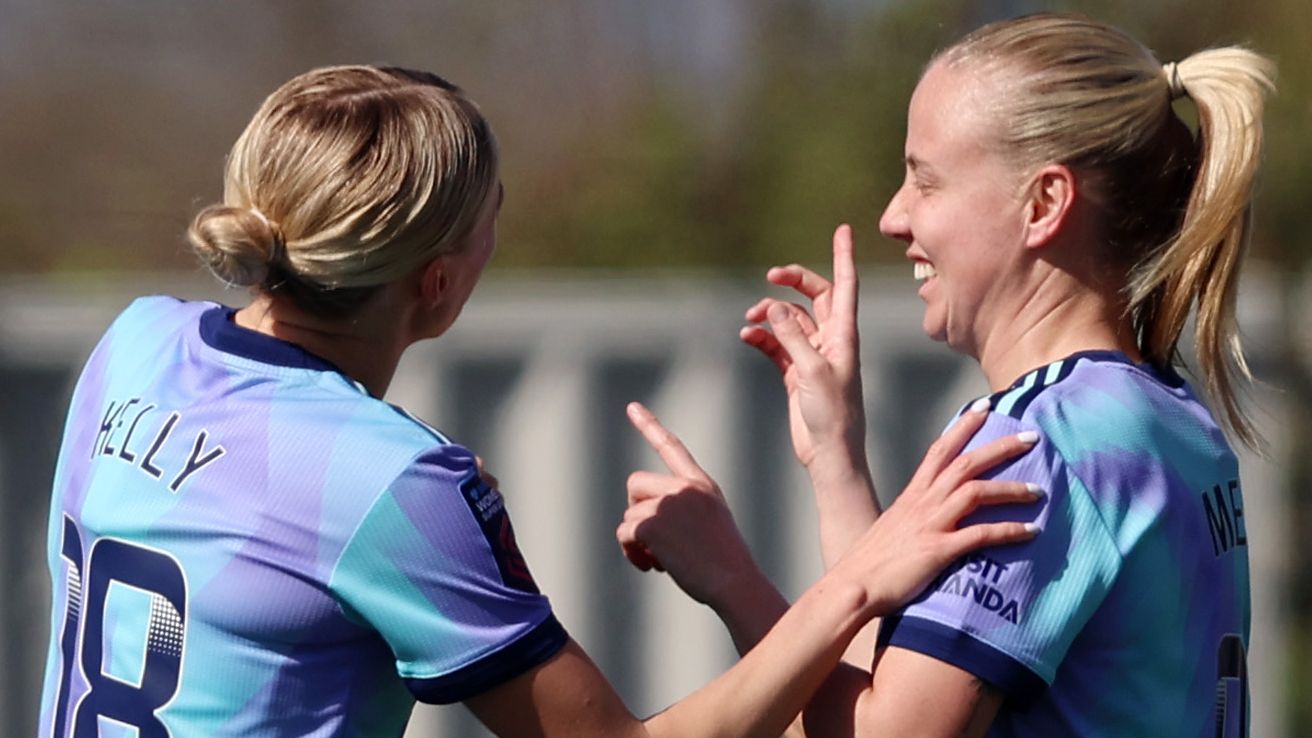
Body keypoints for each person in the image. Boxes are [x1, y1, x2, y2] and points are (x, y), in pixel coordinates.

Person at [36, 65, 1042, 738]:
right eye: (491, 218)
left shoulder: (134, 344)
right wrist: (859, 580)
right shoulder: (389, 483)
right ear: (436, 283)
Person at [619, 12, 1274, 738]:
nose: (893, 217)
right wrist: (836, 457)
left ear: (1043, 204)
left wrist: (729, 578)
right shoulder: (1171, 417)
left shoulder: (1037, 443)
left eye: (925, 181)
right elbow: (897, 681)